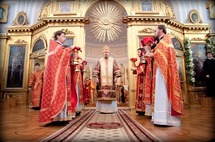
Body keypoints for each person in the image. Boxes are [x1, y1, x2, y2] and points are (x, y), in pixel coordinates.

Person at [39, 30, 79, 125]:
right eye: (63, 36)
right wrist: (71, 48)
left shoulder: (58, 47)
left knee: (62, 94)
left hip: (61, 75)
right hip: (57, 77)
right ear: (58, 36)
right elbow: (62, 54)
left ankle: (61, 118)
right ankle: (57, 118)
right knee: (59, 94)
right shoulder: (55, 46)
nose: (65, 38)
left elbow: (64, 57)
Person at [149, 25, 183, 126]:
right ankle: (160, 118)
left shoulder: (166, 39)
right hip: (159, 70)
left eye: (155, 30)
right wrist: (152, 55)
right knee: (159, 91)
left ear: (161, 30)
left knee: (164, 91)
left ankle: (167, 119)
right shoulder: (160, 41)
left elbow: (165, 54)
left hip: (165, 71)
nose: (154, 32)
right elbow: (159, 54)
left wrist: (153, 54)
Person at [92, 45, 121, 113]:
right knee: (102, 95)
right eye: (105, 52)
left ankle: (111, 109)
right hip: (102, 82)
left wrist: (116, 77)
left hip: (111, 82)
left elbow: (116, 69)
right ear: (103, 53)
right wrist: (96, 78)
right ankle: (102, 109)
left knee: (111, 96)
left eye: (107, 52)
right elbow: (96, 70)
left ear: (109, 53)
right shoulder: (100, 61)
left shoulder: (112, 60)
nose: (106, 53)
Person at [141, 37, 154, 116]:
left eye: (147, 45)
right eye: (145, 45)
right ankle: (149, 111)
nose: (146, 47)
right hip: (148, 73)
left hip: (153, 71)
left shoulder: (154, 51)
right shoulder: (146, 53)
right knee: (148, 90)